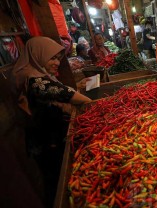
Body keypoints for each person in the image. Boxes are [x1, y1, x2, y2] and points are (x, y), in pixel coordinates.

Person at [12, 36, 91, 207]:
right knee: (58, 181)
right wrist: (93, 103)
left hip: (48, 135)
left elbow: (59, 91)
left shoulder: (37, 74)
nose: (57, 62)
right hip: (47, 139)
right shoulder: (35, 80)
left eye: (59, 58)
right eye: (52, 57)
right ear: (38, 54)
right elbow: (66, 94)